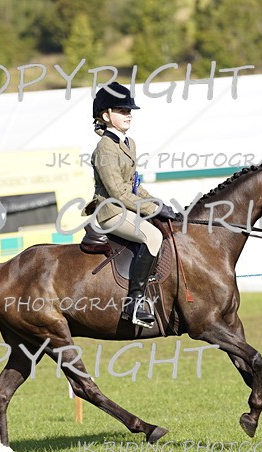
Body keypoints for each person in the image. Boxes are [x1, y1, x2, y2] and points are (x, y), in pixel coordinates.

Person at [84, 82, 178, 328]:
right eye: (121, 110)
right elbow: (118, 192)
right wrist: (151, 209)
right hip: (112, 211)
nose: (128, 114)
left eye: (129, 110)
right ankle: (134, 303)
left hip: (126, 207)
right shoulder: (104, 148)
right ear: (105, 116)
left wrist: (158, 203)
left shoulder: (128, 143)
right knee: (153, 236)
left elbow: (135, 186)